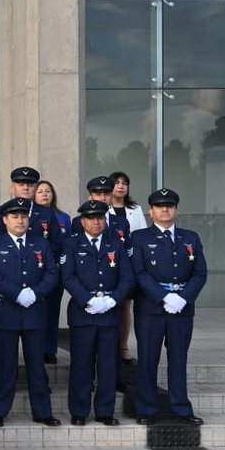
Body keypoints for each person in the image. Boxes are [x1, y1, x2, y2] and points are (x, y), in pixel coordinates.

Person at [129, 188, 208, 425]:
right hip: (151, 309)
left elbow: (200, 273)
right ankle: (146, 409)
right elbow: (139, 273)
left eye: (170, 206)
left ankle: (181, 409)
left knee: (178, 359)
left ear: (176, 210)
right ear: (151, 212)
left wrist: (183, 298)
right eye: (160, 206)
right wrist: (164, 296)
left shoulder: (190, 237)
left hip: (182, 308)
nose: (165, 209)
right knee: (147, 359)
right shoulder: (140, 238)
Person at [0, 199, 62, 427]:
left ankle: (43, 412)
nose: (20, 220)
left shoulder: (40, 243)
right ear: (5, 220)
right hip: (6, 310)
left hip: (35, 311)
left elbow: (51, 273)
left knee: (37, 365)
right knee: (4, 365)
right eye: (15, 216)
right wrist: (17, 293)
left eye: (24, 216)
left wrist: (34, 294)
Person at [61, 200, 135, 426]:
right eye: (91, 218)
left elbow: (127, 278)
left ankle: (105, 412)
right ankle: (79, 412)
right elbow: (68, 277)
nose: (96, 222)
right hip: (83, 313)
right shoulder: (71, 244)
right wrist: (89, 299)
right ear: (82, 221)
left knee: (108, 365)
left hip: (110, 314)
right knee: (81, 365)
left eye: (100, 218)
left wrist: (112, 300)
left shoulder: (116, 244)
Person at [108, 170, 146, 366]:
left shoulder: (135, 209)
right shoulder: (102, 209)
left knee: (125, 306)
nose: (121, 186)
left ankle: (123, 346)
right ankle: (108, 346)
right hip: (107, 263)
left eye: (125, 182)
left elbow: (141, 235)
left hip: (128, 264)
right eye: (117, 182)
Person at [33, 179, 70, 366]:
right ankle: (37, 348)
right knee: (37, 312)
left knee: (52, 312)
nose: (44, 194)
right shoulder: (30, 215)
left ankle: (50, 349)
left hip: (56, 270)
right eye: (40, 191)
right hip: (36, 272)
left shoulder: (63, 217)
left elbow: (67, 244)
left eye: (48, 191)